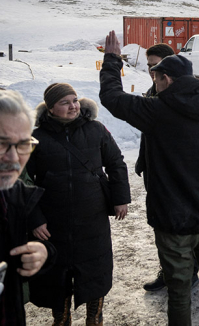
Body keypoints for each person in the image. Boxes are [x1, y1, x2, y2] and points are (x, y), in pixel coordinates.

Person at [100, 31, 199, 325]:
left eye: (156, 78)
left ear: (167, 79)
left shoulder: (157, 110)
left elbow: (111, 97)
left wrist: (112, 59)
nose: (154, 83)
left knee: (178, 292)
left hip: (172, 219)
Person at [26, 83, 130, 326]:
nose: (73, 106)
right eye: (65, 102)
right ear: (51, 108)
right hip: (53, 219)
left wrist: (120, 198)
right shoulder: (35, 139)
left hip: (91, 214)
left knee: (96, 268)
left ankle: (95, 317)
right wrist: (34, 217)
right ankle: (61, 318)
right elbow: (24, 181)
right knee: (56, 272)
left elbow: (116, 163)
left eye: (74, 100)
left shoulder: (96, 130)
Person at [0, 89, 56, 325]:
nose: (14, 158)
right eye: (1, 144)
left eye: (24, 145)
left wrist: (43, 253)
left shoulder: (12, 196)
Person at [138, 43, 176, 293]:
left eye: (156, 66)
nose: (151, 71)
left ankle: (185, 272)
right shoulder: (152, 91)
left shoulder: (185, 94)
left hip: (175, 171)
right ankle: (168, 270)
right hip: (154, 169)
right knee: (160, 223)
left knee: (178, 225)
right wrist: (143, 160)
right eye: (149, 66)